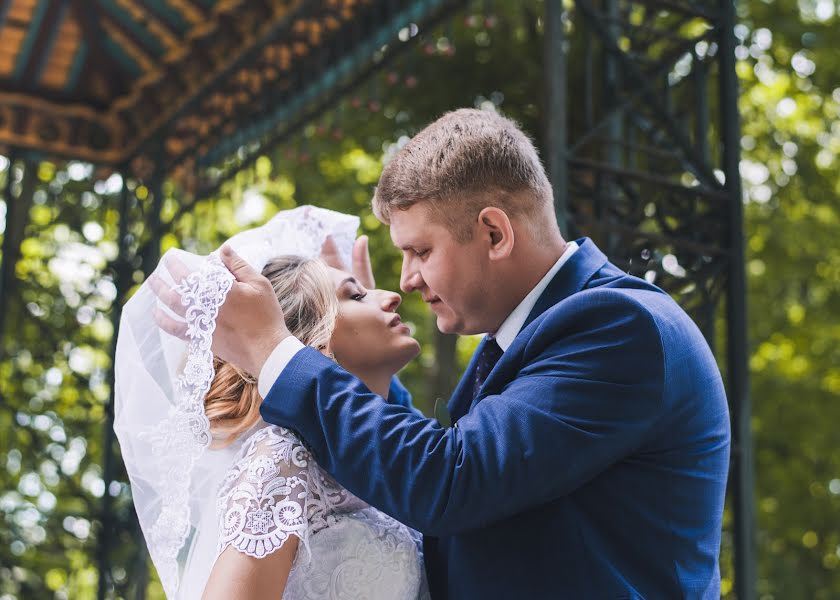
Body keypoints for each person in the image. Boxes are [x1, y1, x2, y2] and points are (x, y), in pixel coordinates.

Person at [157, 109, 731, 598]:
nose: (404, 281)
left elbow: (455, 478)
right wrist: (357, 364)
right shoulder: (538, 336)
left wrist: (273, 350)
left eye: (420, 250)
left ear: (494, 234)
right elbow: (476, 468)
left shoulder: (616, 327)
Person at [115, 207, 427, 599]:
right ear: (313, 342)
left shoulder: (386, 460)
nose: (393, 296)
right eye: (355, 294)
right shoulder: (283, 457)